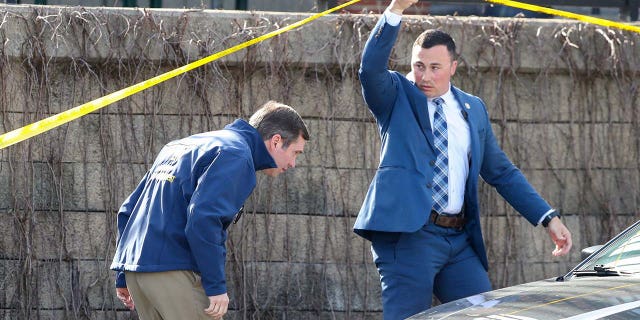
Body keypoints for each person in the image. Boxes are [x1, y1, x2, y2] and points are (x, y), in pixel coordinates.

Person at [352, 1, 573, 319]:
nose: (424, 76)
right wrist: (396, 9)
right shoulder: (395, 96)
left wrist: (548, 218)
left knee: (485, 314)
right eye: (419, 66)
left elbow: (501, 172)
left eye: (435, 67)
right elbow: (369, 69)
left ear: (453, 67)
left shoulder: (474, 109)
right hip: (410, 237)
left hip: (458, 240)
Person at [110, 101, 310, 320]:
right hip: (176, 272)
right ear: (276, 141)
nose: (293, 164)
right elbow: (204, 219)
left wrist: (123, 275)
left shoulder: (180, 146)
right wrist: (215, 286)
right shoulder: (236, 155)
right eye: (295, 153)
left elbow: (129, 209)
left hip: (137, 274)